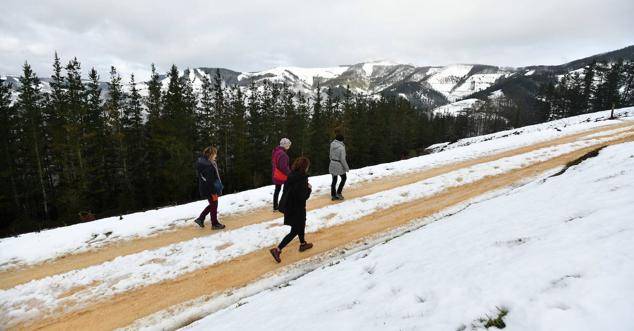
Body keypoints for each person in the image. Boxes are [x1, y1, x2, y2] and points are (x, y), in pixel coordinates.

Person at [270, 157, 313, 263]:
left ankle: (303, 244)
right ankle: (277, 250)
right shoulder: (302, 178)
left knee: (301, 224)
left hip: (290, 206)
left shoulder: (291, 175)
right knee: (295, 230)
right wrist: (309, 189)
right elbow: (302, 196)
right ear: (305, 167)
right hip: (297, 208)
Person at [194, 146, 226, 230]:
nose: (216, 156)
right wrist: (214, 191)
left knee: (212, 204)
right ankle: (214, 224)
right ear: (211, 154)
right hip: (210, 189)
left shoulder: (204, 162)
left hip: (206, 188)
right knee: (214, 205)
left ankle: (200, 219)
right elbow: (209, 180)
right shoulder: (208, 165)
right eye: (215, 154)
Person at [271, 138, 292, 211]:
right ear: (285, 145)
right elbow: (284, 167)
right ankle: (283, 205)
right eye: (288, 145)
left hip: (276, 174)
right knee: (286, 190)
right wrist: (290, 173)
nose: (289, 147)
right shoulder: (283, 154)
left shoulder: (276, 151)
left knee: (277, 190)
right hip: (282, 175)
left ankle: (275, 206)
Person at [329, 131, 350, 200]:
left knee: (334, 180)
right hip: (339, 164)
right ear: (342, 140)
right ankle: (339, 193)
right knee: (344, 178)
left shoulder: (332, 144)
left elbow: (330, 155)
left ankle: (333, 195)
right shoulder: (341, 147)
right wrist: (347, 168)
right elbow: (343, 159)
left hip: (332, 163)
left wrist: (332, 160)